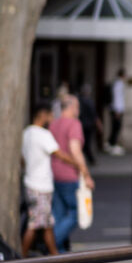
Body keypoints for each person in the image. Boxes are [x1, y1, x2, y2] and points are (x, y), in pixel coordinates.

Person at [22, 104, 78, 258]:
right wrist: (77, 163)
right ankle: (40, 258)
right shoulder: (43, 134)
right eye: (50, 115)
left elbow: (22, 159)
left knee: (43, 222)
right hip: (41, 185)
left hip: (30, 182)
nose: (52, 119)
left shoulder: (26, 133)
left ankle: (52, 257)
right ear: (43, 115)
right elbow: (59, 154)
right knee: (38, 225)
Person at [50, 95, 95, 252]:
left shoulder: (53, 124)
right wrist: (86, 175)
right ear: (71, 107)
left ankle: (59, 253)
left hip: (53, 174)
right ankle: (51, 242)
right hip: (69, 175)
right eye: (77, 106)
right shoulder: (74, 124)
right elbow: (75, 151)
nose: (79, 110)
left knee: (59, 214)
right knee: (76, 213)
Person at [78, 84, 100, 165]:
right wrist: (98, 124)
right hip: (88, 125)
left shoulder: (79, 100)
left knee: (84, 142)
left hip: (82, 124)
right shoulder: (89, 101)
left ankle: (88, 158)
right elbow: (94, 114)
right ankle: (90, 160)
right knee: (86, 143)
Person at [108, 69, 126, 155]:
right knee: (116, 127)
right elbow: (117, 98)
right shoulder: (119, 84)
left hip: (116, 109)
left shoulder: (117, 83)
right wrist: (117, 111)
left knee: (116, 127)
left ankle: (111, 144)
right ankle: (112, 145)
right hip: (117, 110)